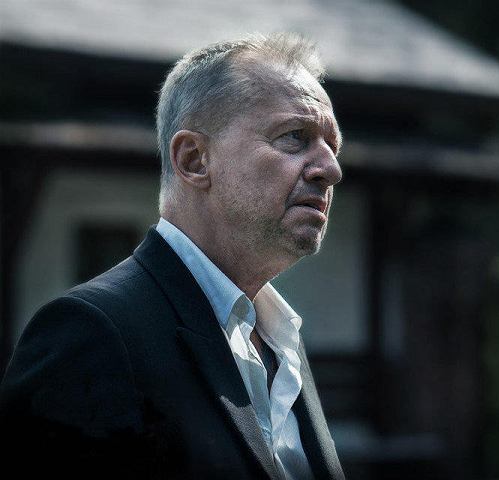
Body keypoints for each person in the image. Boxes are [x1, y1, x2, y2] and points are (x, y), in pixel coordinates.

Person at [0, 34, 346, 479]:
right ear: (195, 159)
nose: (331, 169)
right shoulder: (90, 334)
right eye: (295, 137)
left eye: (332, 147)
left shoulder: (281, 336)